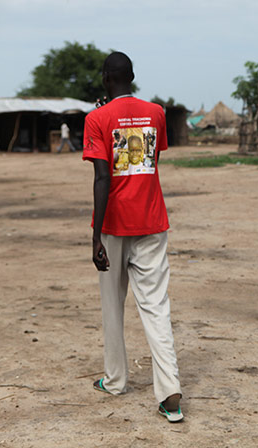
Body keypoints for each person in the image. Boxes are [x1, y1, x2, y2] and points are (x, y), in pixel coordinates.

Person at [82, 51, 184, 423]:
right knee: (156, 306)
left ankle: (115, 380)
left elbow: (102, 177)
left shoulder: (96, 118)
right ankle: (169, 390)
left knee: (112, 305)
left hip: (113, 224)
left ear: (106, 79)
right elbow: (151, 158)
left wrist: (95, 237)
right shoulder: (156, 113)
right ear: (132, 76)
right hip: (152, 220)